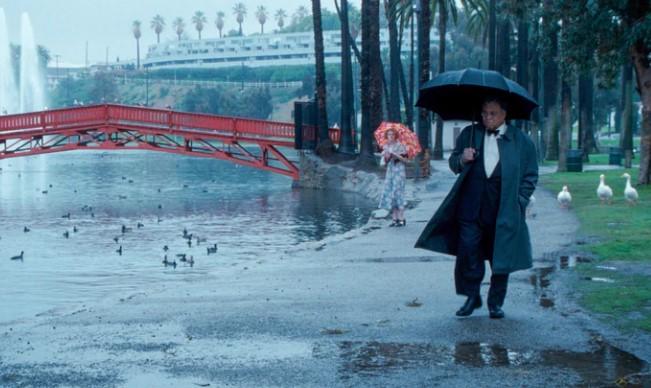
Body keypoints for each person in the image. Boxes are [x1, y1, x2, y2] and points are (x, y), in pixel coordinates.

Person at [415, 96, 538, 319]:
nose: (487, 118)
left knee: (500, 255)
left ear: (504, 114)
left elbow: (530, 176)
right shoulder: (470, 134)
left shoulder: (521, 141)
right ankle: (472, 296)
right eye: (484, 113)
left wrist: (519, 200)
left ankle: (496, 302)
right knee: (468, 252)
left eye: (492, 113)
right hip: (470, 207)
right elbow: (453, 164)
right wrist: (463, 158)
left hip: (503, 209)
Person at [378, 128, 409, 227]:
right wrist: (385, 156)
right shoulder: (386, 146)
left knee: (398, 193)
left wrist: (396, 155)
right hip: (390, 172)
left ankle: (401, 218)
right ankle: (394, 219)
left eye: (392, 134)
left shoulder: (400, 145)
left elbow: (406, 160)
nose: (390, 136)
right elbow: (383, 164)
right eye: (389, 135)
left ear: (396, 136)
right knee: (391, 194)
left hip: (399, 171)